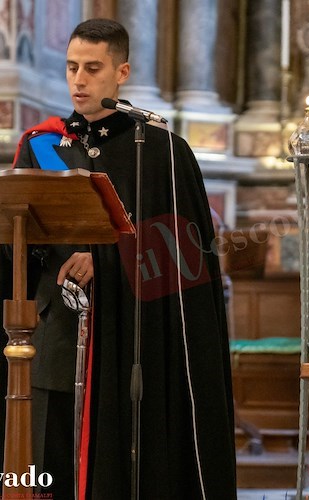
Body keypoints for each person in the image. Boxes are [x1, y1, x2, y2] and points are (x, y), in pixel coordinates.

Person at [0, 18, 237, 499]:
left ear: (122, 72)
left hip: (134, 340)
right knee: (47, 462)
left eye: (92, 68)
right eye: (71, 68)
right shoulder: (42, 145)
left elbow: (184, 258)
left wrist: (106, 256)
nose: (78, 80)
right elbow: (17, 241)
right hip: (58, 332)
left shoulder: (159, 150)